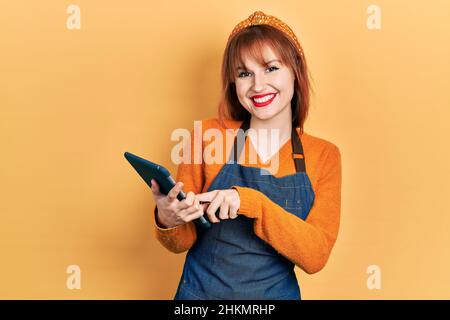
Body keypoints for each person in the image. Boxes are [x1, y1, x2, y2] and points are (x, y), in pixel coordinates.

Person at [150, 11, 342, 300]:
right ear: (233, 83)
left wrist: (250, 202)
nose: (258, 85)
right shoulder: (205, 136)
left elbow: (315, 256)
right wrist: (168, 218)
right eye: (244, 73)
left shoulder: (323, 155)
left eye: (271, 68)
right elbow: (182, 241)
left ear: (295, 71)